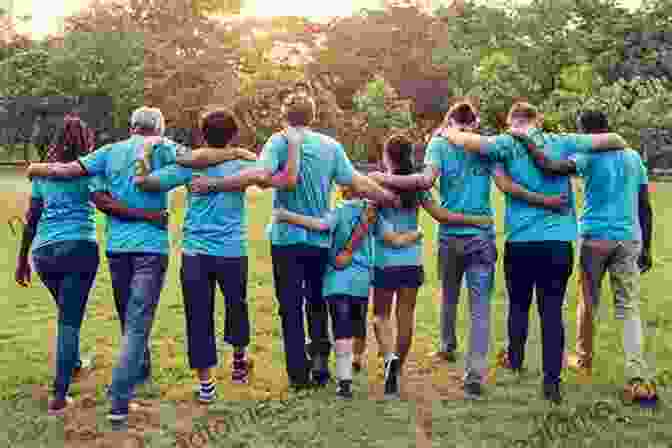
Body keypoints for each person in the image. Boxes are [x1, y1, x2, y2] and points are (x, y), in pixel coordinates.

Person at [183, 93, 400, 390]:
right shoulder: (330, 146)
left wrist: (214, 184)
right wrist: (388, 197)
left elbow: (260, 174)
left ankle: (298, 373)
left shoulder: (278, 142)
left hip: (286, 237)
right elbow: (357, 182)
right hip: (320, 238)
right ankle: (321, 362)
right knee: (317, 300)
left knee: (289, 305)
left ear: (284, 116)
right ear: (312, 116)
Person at [433, 99, 628, 403]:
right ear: (537, 121)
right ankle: (552, 381)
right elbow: (616, 139)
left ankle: (516, 357)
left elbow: (469, 141)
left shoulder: (506, 144)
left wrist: (447, 132)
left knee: (519, 305)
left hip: (521, 242)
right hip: (559, 242)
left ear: (513, 122)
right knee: (551, 311)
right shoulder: (562, 141)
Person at [368, 100, 565, 399]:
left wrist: (382, 178)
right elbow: (504, 184)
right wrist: (545, 200)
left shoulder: (438, 144)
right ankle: (474, 375)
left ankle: (447, 346)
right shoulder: (484, 147)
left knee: (448, 295)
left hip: (450, 235)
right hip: (481, 235)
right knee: (480, 308)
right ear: (474, 123)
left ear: (449, 120)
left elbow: (425, 180)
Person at [26, 106, 190, 428]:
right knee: (131, 323)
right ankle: (116, 399)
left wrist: (36, 167)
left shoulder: (108, 154)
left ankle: (136, 367)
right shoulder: (167, 148)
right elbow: (194, 163)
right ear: (159, 127)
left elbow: (67, 174)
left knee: (125, 316)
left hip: (111, 249)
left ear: (131, 127)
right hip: (145, 249)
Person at [134, 107, 299, 403]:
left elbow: (150, 183)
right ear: (233, 135)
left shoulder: (191, 165)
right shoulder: (242, 163)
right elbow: (271, 179)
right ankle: (238, 362)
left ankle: (207, 385)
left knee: (198, 313)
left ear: (202, 134)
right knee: (237, 305)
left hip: (195, 251)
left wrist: (143, 167)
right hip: (232, 250)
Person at [518, 110, 657, 403]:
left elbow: (551, 168)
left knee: (588, 300)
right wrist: (647, 247)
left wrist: (526, 142)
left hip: (594, 237)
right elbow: (645, 204)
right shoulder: (633, 157)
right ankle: (637, 376)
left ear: (586, 133)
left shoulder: (587, 156)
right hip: (629, 238)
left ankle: (583, 358)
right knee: (628, 308)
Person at [370, 131, 498, 399]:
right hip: (411, 262)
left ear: (386, 156)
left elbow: (364, 212)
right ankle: (398, 365)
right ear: (410, 157)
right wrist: (475, 221)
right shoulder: (419, 189)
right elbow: (441, 215)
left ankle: (389, 358)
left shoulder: (378, 185)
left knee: (381, 315)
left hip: (384, 261)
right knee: (405, 316)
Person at [272, 182, 415, 398]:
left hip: (337, 281)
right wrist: (418, 233)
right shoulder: (373, 214)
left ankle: (344, 382)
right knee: (356, 329)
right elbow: (394, 240)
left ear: (343, 190)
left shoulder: (338, 211)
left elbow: (319, 225)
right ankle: (389, 360)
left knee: (341, 330)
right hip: (361, 283)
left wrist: (286, 216)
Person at [15, 115, 99, 415]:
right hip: (79, 248)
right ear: (86, 141)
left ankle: (75, 362)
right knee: (69, 320)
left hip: (44, 253)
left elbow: (31, 218)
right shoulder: (90, 170)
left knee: (67, 312)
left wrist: (21, 259)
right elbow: (106, 200)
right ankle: (60, 395)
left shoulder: (42, 175)